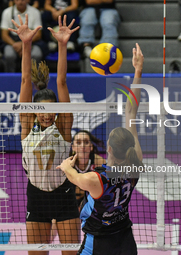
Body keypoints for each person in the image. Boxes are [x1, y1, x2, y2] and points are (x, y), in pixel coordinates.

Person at [57, 43, 144, 255]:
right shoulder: (135, 166)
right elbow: (131, 110)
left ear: (110, 150)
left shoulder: (96, 179)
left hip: (99, 242)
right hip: (124, 239)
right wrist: (138, 71)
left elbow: (72, 175)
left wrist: (65, 165)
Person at [9, 14, 80, 255]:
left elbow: (61, 81)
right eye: (41, 110)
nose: (47, 114)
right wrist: (26, 45)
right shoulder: (27, 126)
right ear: (34, 111)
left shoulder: (63, 127)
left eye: (51, 110)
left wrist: (62, 45)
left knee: (71, 252)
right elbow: (25, 80)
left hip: (64, 196)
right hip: (36, 198)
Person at [1, 0, 46, 72]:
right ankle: (10, 78)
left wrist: (23, 44)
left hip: (31, 41)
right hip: (13, 42)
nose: (20, 2)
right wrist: (15, 45)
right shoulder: (7, 12)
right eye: (17, 0)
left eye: (22, 0)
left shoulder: (35, 12)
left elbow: (38, 35)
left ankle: (34, 79)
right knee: (9, 55)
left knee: (36, 54)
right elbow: (4, 35)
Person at [71, 130, 106, 205]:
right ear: (73, 147)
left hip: (92, 201)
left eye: (86, 142)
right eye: (78, 143)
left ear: (91, 147)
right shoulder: (68, 163)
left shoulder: (99, 163)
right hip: (70, 201)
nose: (82, 146)